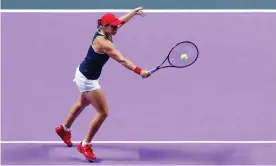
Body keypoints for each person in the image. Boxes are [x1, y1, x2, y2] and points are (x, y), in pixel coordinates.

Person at [55, 7, 151, 162]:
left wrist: (133, 12)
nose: (116, 28)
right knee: (103, 112)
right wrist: (140, 71)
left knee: (82, 103)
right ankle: (85, 145)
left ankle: (63, 129)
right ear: (105, 26)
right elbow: (122, 59)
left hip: (82, 72)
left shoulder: (104, 30)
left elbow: (121, 22)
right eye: (113, 26)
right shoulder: (104, 43)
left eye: (115, 25)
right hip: (87, 79)